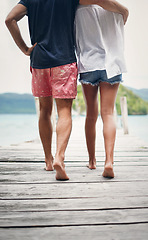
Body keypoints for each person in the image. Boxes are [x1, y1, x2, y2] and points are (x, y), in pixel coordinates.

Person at [5, 0, 129, 180]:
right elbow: (100, 1)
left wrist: (25, 48)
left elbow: (9, 19)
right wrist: (123, 11)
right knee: (66, 112)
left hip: (39, 61)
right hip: (65, 61)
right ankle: (61, 158)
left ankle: (49, 161)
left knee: (45, 111)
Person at [75, 4, 129, 178]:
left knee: (91, 113)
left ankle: (92, 161)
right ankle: (109, 162)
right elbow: (124, 19)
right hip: (112, 63)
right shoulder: (115, 8)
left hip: (88, 62)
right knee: (108, 113)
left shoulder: (78, 7)